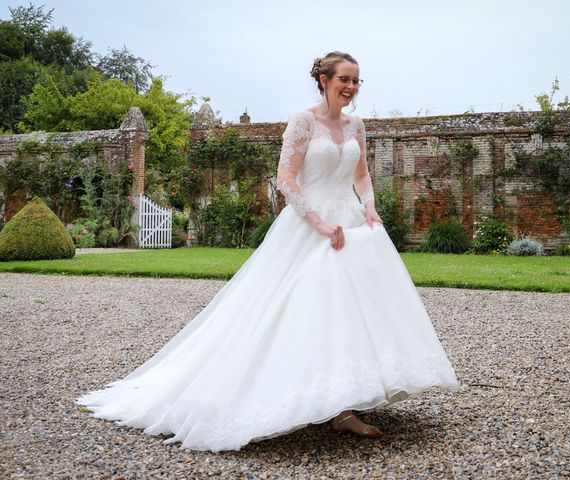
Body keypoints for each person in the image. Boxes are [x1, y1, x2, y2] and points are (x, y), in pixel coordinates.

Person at [76, 51, 459, 452]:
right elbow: (286, 179)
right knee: (297, 312)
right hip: (311, 226)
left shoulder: (356, 124)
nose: (351, 87)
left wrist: (369, 207)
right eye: (344, 79)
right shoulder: (303, 120)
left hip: (351, 225)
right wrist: (318, 222)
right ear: (324, 80)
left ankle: (342, 405)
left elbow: (361, 174)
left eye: (357, 81)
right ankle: (298, 396)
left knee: (351, 312)